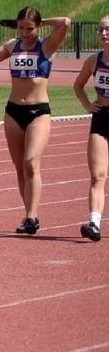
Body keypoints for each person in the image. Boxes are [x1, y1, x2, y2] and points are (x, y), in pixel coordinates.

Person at [0, 7, 72, 234]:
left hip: (38, 112)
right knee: (20, 168)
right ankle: (29, 215)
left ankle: (32, 217)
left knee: (31, 163)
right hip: (13, 112)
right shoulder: (13, 46)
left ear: (38, 27)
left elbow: (65, 22)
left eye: (29, 28)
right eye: (21, 27)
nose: (24, 32)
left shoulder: (47, 45)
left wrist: (41, 21)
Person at [71, 14, 109, 241]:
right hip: (101, 118)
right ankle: (94, 223)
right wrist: (87, 105)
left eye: (108, 29)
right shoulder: (94, 61)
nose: (104, 34)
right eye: (101, 30)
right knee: (98, 174)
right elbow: (78, 85)